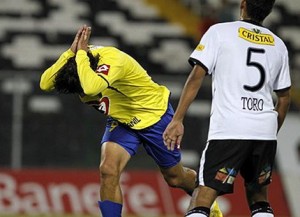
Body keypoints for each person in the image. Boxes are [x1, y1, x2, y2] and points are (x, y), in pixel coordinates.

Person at [40, 25, 222, 217]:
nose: (82, 93)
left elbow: (92, 87)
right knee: (108, 170)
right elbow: (45, 83)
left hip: (154, 116)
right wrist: (70, 53)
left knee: (175, 178)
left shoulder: (112, 60)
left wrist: (80, 57)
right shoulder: (77, 59)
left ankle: (208, 200)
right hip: (123, 120)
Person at [163, 0, 291, 216]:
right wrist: (268, 130)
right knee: (259, 198)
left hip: (229, 128)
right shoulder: (278, 44)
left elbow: (196, 77)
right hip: (265, 130)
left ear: (243, 4)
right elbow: (284, 98)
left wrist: (177, 119)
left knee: (202, 196)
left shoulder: (220, 32)